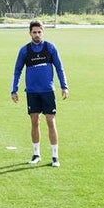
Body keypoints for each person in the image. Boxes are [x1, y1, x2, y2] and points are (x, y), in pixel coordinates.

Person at [11, 19, 69, 166]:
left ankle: (55, 156)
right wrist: (14, 89)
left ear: (43, 32)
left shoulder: (50, 48)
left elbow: (59, 68)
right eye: (34, 32)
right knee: (35, 122)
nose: (37, 34)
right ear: (30, 33)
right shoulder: (25, 51)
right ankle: (36, 154)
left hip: (48, 91)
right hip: (32, 92)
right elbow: (17, 71)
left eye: (39, 32)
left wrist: (64, 86)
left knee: (51, 121)